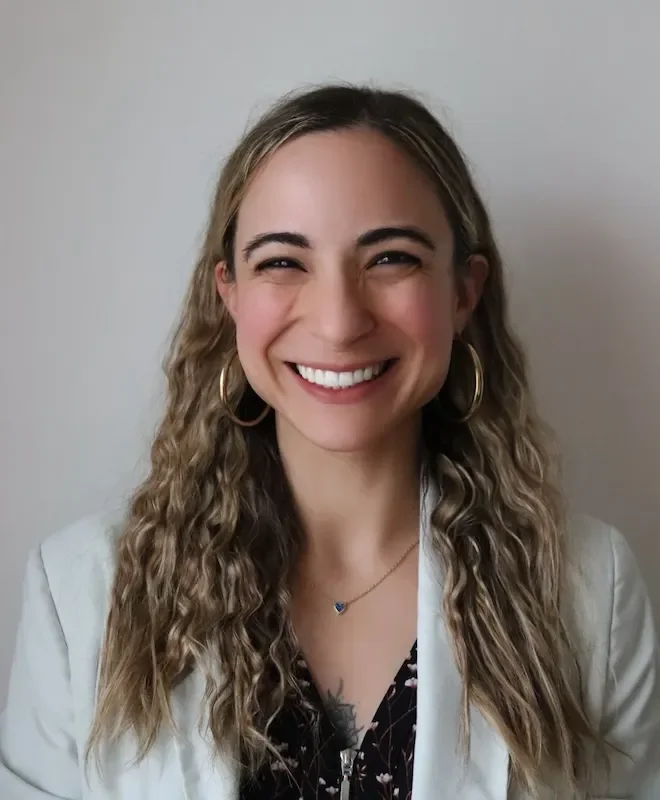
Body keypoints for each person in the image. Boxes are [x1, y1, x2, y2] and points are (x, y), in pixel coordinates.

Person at [1, 84, 659, 800]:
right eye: (283, 262)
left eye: (391, 258)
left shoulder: (590, 592)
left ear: (462, 293)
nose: (339, 322)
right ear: (229, 293)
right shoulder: (80, 597)